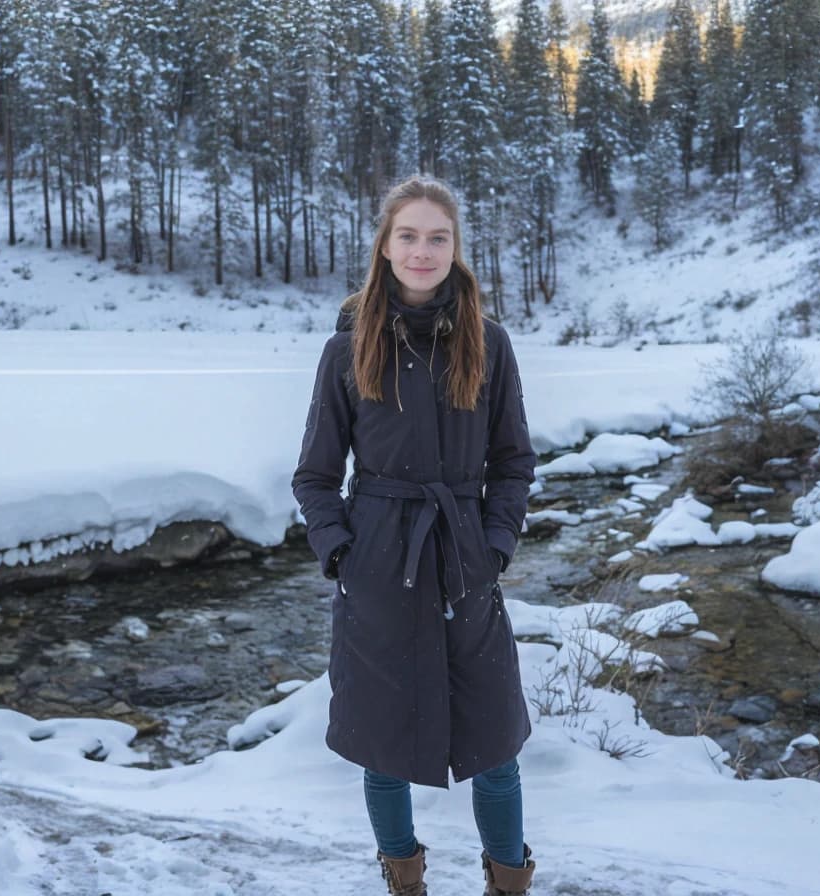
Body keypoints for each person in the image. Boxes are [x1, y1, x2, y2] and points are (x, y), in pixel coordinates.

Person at [291, 176, 538, 896]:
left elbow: (514, 462)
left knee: (496, 746)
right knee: (383, 746)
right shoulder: (347, 349)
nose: (422, 250)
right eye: (409, 235)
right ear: (385, 245)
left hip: (466, 560)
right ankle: (404, 883)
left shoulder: (489, 344)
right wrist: (342, 551)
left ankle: (507, 885)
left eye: (438, 237)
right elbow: (314, 475)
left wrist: (494, 545)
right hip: (378, 564)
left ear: (456, 248)